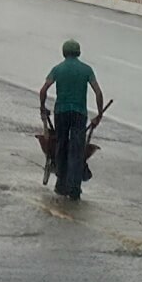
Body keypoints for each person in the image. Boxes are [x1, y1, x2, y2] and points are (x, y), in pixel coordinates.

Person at [39, 39, 104, 200]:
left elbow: (44, 90)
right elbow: (98, 92)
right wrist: (99, 114)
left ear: (64, 53)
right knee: (77, 149)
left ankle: (61, 184)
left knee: (61, 145)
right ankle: (74, 189)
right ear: (78, 53)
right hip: (79, 113)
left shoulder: (58, 69)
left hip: (61, 112)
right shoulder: (87, 70)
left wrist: (43, 107)